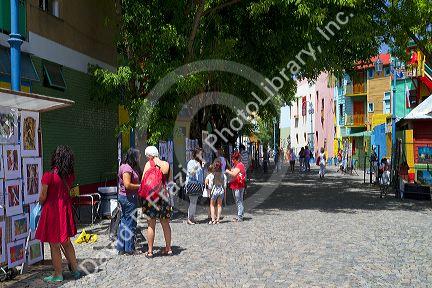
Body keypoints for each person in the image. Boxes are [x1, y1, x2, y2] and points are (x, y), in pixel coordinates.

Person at [35, 145, 80, 283]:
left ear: (55, 158)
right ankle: (76, 270)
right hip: (65, 210)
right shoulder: (70, 176)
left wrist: (39, 202)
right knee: (66, 242)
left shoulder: (48, 176)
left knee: (54, 244)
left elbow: (43, 196)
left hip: (53, 212)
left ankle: (58, 274)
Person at [141, 146, 172, 258]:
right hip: (163, 196)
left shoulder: (148, 164)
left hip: (151, 199)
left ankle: (150, 251)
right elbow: (169, 181)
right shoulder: (166, 164)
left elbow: (143, 181)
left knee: (151, 224)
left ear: (149, 155)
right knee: (165, 223)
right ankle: (168, 248)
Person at [116, 148, 141, 255]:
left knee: (124, 222)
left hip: (125, 197)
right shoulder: (127, 168)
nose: (139, 158)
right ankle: (129, 248)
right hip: (128, 198)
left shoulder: (125, 166)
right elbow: (127, 184)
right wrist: (141, 186)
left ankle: (121, 247)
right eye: (138, 156)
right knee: (130, 222)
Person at [185, 148, 204, 225]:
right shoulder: (191, 162)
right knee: (192, 202)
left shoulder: (198, 162)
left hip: (197, 185)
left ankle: (192, 218)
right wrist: (197, 166)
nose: (201, 155)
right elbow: (191, 172)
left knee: (194, 202)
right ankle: (189, 218)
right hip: (192, 184)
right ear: (196, 154)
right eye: (200, 154)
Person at [226, 151, 246, 222]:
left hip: (238, 185)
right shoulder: (237, 165)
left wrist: (227, 171)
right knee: (239, 200)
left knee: (238, 200)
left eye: (233, 159)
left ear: (236, 159)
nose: (232, 160)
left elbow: (234, 174)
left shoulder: (239, 165)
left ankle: (240, 216)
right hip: (236, 185)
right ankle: (240, 215)